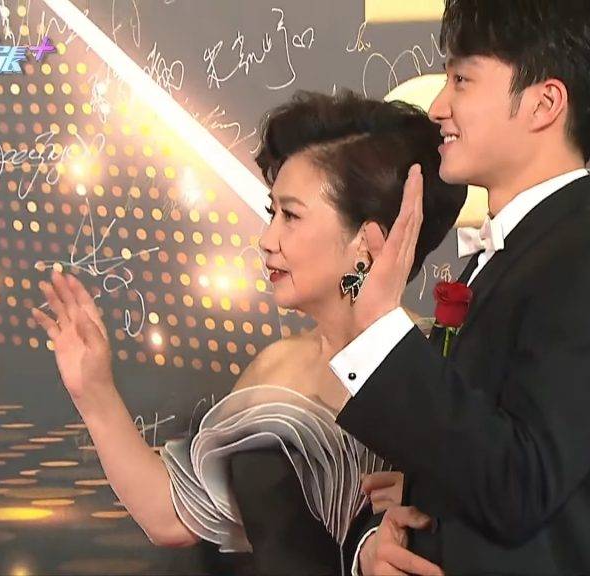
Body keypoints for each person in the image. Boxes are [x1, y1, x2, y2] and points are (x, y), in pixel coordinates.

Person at [30, 90, 466, 575]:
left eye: (291, 216)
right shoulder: (277, 367)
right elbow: (171, 517)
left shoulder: (446, 362)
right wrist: (93, 390)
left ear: (366, 240)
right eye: (271, 213)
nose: (266, 240)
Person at [328, 1, 590, 574]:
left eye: (462, 80)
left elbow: (522, 483)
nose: (438, 107)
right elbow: (493, 456)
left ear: (544, 104)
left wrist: (380, 331)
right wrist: (401, 515)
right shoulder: (519, 254)